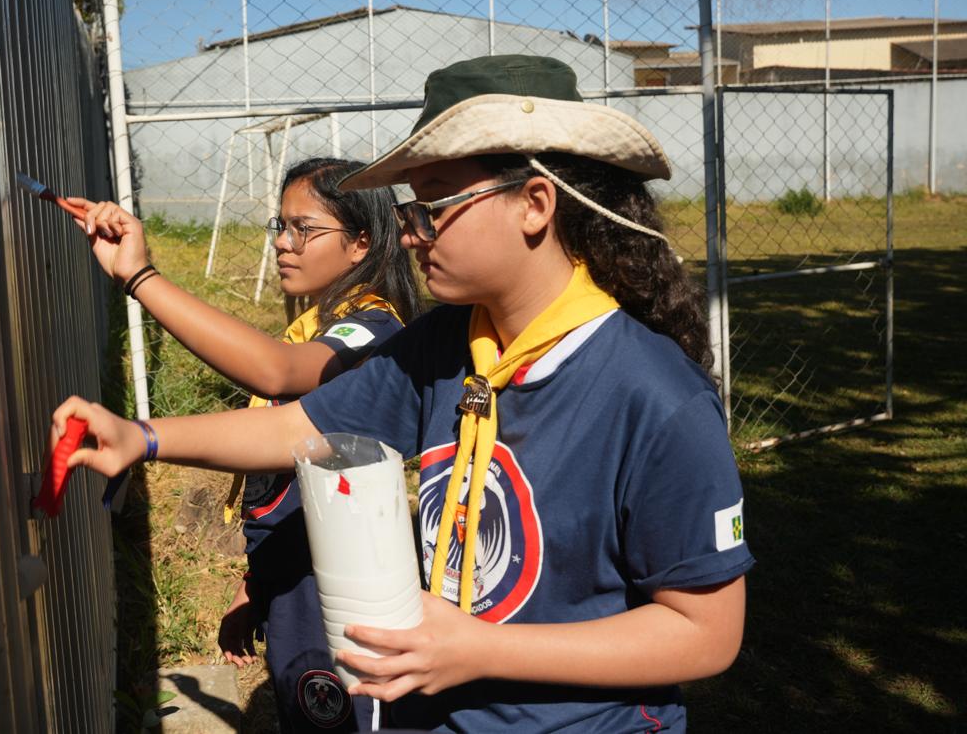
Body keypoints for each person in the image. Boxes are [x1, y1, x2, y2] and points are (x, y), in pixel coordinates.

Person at [56, 55, 754, 732]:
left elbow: (706, 632)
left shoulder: (657, 397)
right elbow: (301, 427)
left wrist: (481, 649)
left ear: (534, 205)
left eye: (436, 204)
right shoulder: (446, 344)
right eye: (412, 207)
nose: (413, 232)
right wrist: (143, 437)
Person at [68, 157, 421, 733]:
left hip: (331, 585)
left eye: (303, 229)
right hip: (293, 571)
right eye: (279, 226)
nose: (283, 243)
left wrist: (139, 279)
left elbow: (275, 372)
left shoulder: (372, 329)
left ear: (361, 243)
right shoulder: (322, 322)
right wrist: (255, 585)